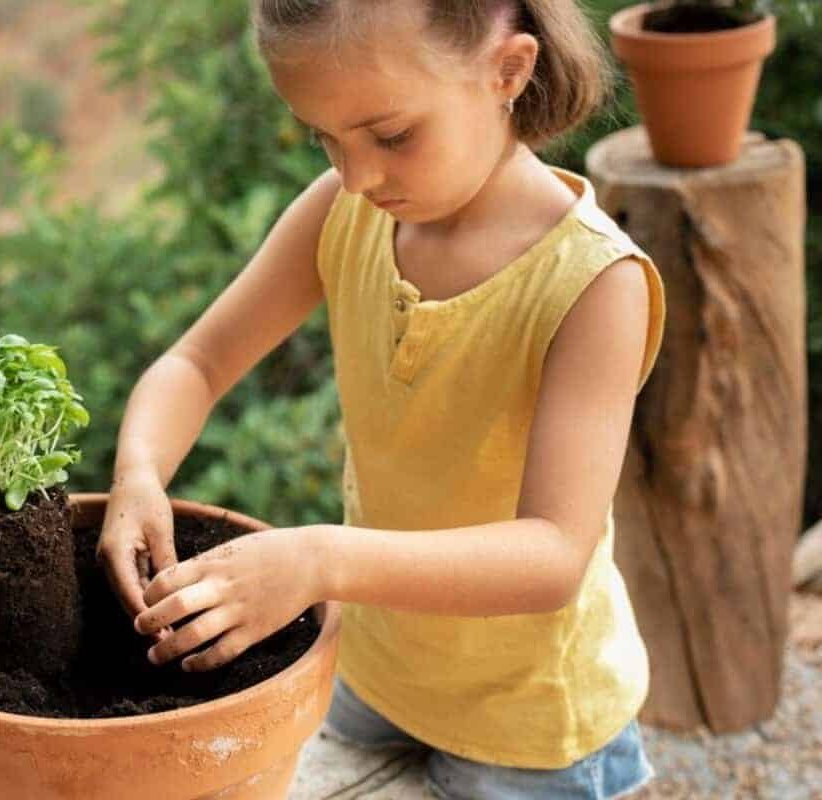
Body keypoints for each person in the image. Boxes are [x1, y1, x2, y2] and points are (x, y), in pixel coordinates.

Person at [96, 1, 665, 797]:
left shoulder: (593, 285)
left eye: (391, 135)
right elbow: (197, 361)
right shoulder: (344, 210)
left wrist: (318, 559)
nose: (357, 174)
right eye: (325, 138)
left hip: (530, 722)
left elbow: (552, 556)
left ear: (508, 71)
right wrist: (140, 474)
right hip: (376, 668)